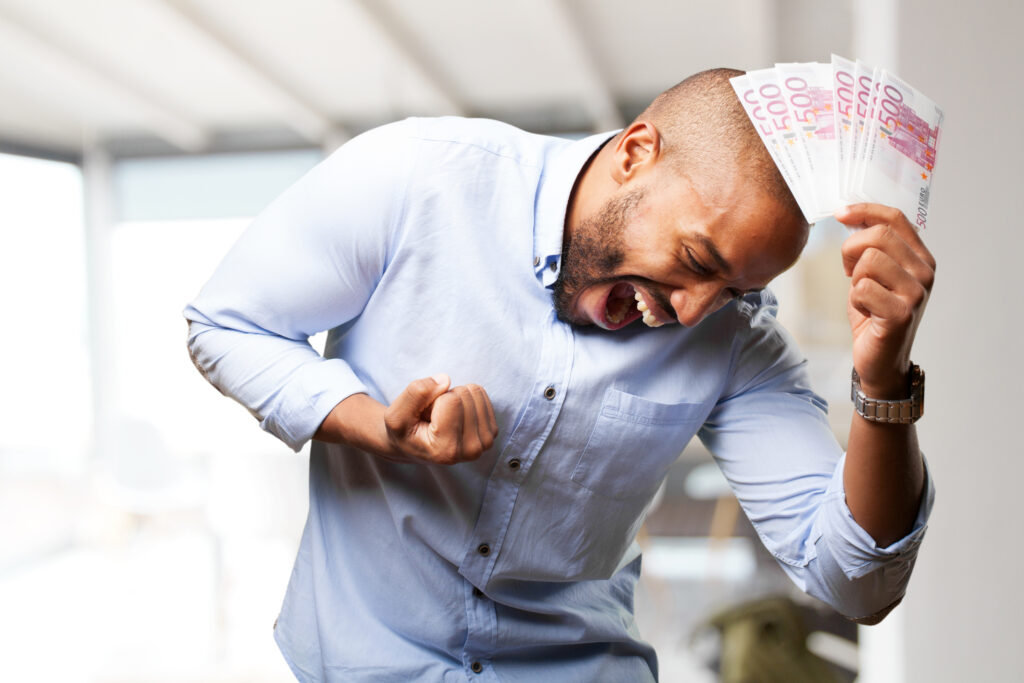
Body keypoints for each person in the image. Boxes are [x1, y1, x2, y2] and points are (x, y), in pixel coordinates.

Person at [184, 68, 935, 682]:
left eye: (732, 290)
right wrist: (368, 423)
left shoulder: (734, 341)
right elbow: (227, 322)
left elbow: (855, 582)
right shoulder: (418, 180)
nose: (694, 310)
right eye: (698, 261)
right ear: (636, 152)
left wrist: (886, 381)